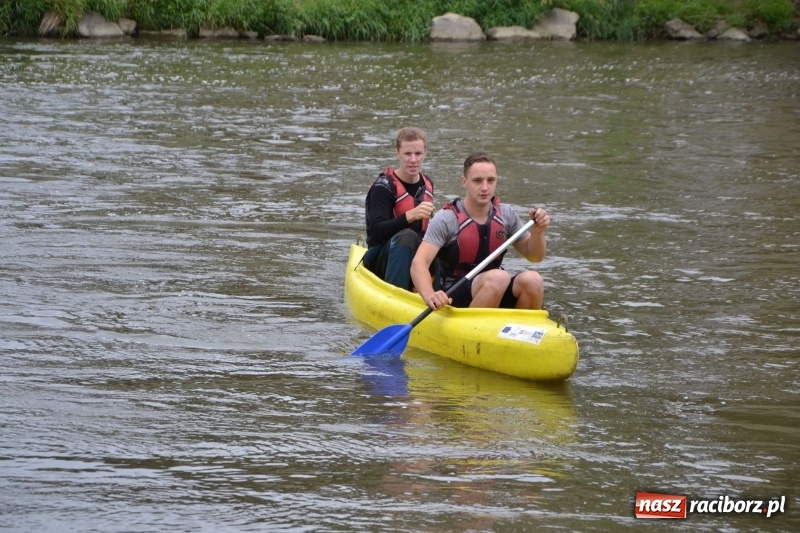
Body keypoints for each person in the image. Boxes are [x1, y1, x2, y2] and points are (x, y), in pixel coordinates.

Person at [410, 151, 551, 311]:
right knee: (499, 277)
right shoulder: (447, 219)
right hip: (453, 293)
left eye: (490, 180)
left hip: (495, 286)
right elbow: (419, 263)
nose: (485, 187)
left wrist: (538, 232)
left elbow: (535, 256)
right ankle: (472, 325)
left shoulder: (506, 214)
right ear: (464, 181)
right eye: (477, 181)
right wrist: (429, 295)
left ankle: (521, 325)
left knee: (533, 280)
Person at [362, 127, 436, 291]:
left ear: (425, 153)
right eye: (407, 154)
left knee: (440, 239)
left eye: (418, 153)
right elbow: (376, 232)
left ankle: (440, 293)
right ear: (397, 153)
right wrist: (410, 215)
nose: (413, 160)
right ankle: (395, 293)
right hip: (380, 257)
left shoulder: (428, 183)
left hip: (414, 256)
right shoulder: (383, 187)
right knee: (407, 236)